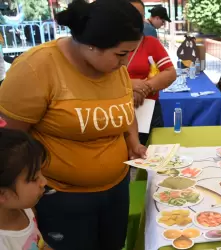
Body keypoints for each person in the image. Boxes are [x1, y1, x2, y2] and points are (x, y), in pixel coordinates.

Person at [0, 0, 147, 249]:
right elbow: (9, 142)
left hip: (116, 188)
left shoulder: (114, 68)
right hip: (62, 196)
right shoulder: (36, 68)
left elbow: (125, 109)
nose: (125, 63)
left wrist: (133, 141)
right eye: (121, 54)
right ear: (91, 45)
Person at [129, 0, 177, 145]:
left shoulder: (150, 42)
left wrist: (144, 88)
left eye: (140, 16)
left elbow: (170, 73)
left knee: (152, 154)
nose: (136, 20)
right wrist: (130, 85)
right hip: (117, 109)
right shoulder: (106, 45)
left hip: (148, 108)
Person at [0, 127, 50, 250]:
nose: (44, 182)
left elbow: (40, 244)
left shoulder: (24, 209)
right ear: (2, 194)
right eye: (34, 178)